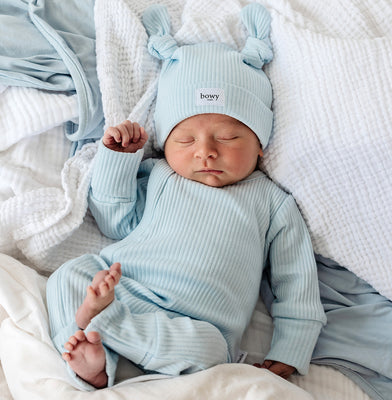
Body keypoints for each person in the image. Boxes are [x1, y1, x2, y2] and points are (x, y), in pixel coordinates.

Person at [46, 3, 326, 390]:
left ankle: (102, 331)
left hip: (200, 326)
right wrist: (120, 161)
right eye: (186, 139)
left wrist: (290, 350)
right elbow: (114, 220)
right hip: (126, 289)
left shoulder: (272, 202)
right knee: (67, 276)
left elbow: (298, 285)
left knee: (211, 354)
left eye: (228, 137)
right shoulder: (159, 175)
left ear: (261, 144)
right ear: (165, 142)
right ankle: (94, 360)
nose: (206, 151)